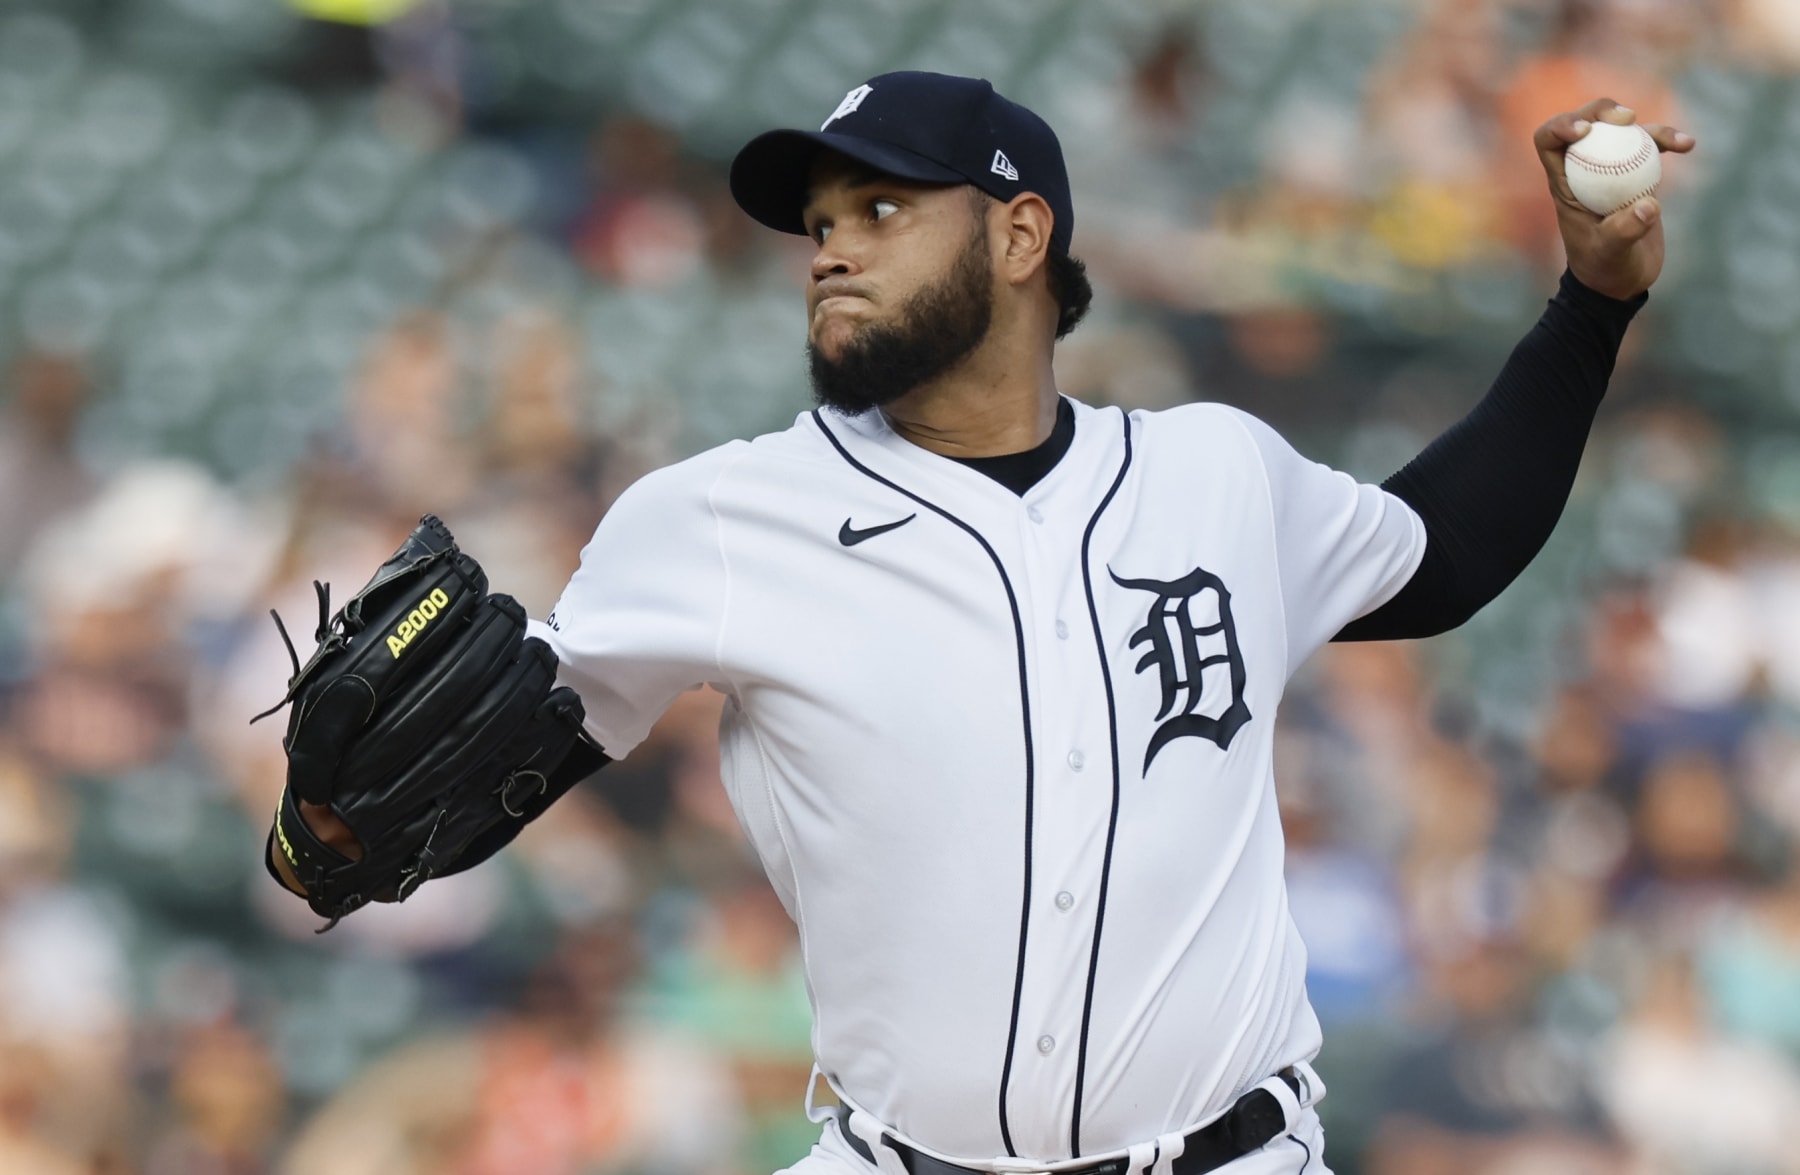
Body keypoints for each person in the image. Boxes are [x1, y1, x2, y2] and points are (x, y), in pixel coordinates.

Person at [270, 71, 1693, 1174]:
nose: (832, 250)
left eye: (883, 211)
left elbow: (1441, 554)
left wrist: (1590, 308)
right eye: (820, 224)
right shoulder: (721, 518)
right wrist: (327, 832)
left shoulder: (1212, 472)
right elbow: (510, 752)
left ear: (1022, 234)